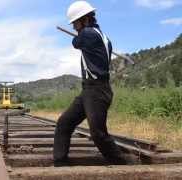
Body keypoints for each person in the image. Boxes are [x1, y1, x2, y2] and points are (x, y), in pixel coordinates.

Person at [53, 1, 127, 166]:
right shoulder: (103, 37)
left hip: (97, 91)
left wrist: (80, 34)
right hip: (89, 90)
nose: (74, 27)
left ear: (85, 19)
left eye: (75, 23)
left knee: (98, 133)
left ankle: (123, 165)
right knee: (64, 123)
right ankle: (60, 163)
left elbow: (75, 43)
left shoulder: (87, 34)